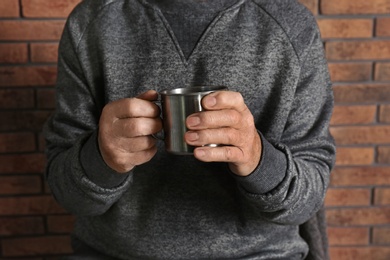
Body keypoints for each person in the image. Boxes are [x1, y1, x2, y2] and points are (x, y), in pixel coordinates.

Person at [44, 0, 336, 259]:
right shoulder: (91, 22)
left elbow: (308, 199)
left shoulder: (291, 24)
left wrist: (257, 158)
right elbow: (66, 194)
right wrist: (101, 158)